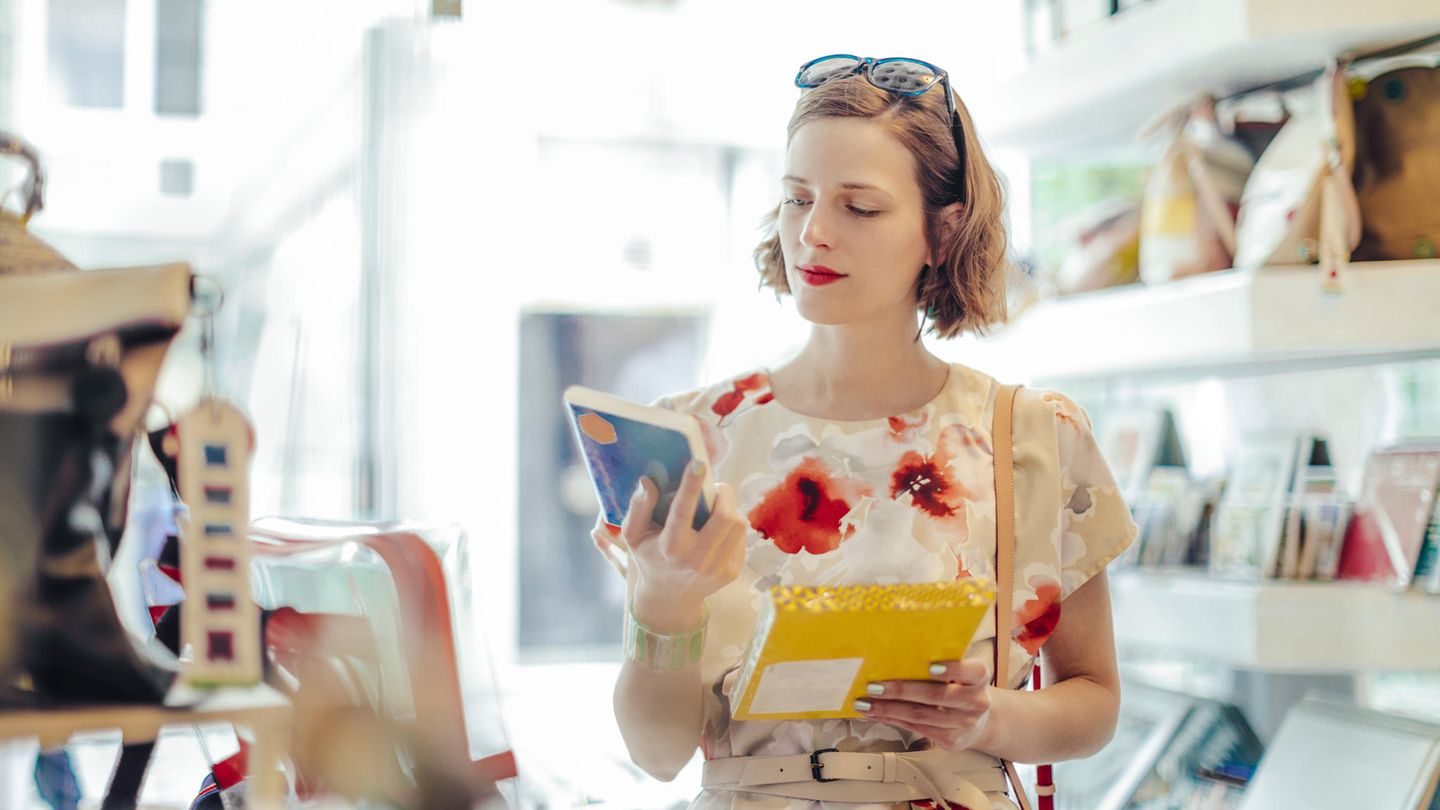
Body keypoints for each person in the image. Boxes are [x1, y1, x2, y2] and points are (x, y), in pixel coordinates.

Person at [592, 54, 1138, 810]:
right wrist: (661, 605)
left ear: (942, 232)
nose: (812, 233)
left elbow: (1096, 702)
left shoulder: (1036, 438)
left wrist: (989, 717)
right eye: (795, 199)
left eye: (860, 207)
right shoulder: (696, 436)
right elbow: (655, 754)